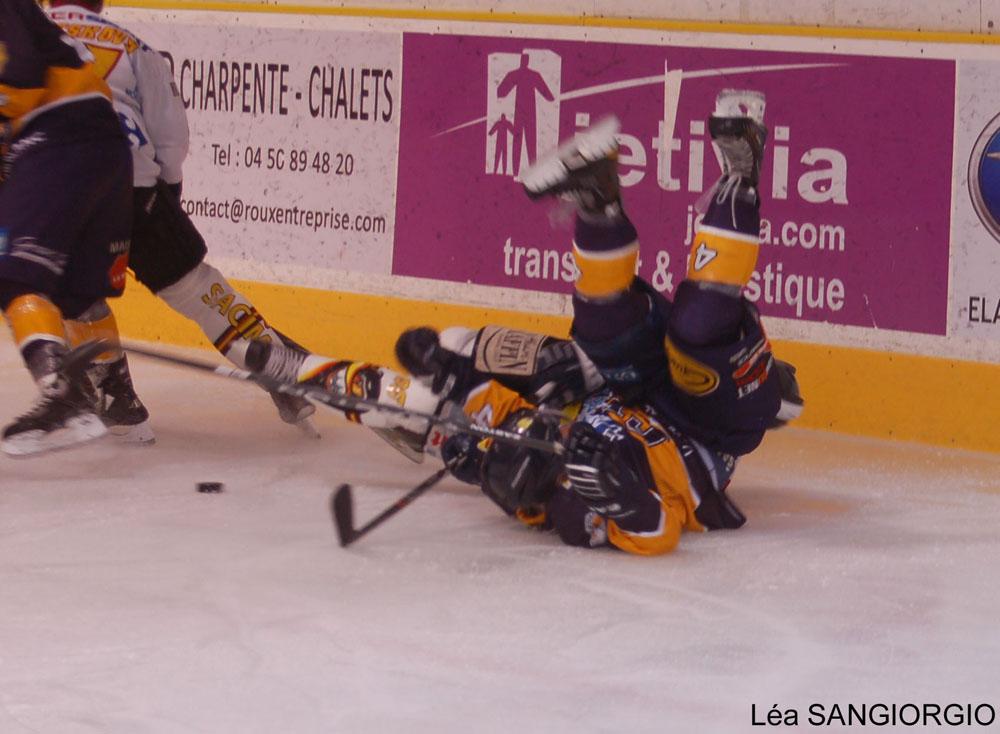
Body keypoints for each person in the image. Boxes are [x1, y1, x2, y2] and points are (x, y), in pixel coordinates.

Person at [395, 91, 803, 555]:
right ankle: (741, 177)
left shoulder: (521, 443)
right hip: (712, 423)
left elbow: (489, 403)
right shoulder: (576, 510)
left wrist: (443, 369)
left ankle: (597, 199)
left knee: (600, 324)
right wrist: (611, 488)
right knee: (697, 328)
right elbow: (657, 532)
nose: (547, 430)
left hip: (641, 386)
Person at [45, 0, 315, 442]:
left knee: (72, 287)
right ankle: (279, 368)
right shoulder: (135, 47)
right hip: (135, 184)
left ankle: (117, 401)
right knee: (196, 288)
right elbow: (172, 136)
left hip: (61, 185)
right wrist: (164, 199)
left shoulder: (25, 37)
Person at [1, 0, 134, 455]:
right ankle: (118, 400)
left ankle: (65, 396)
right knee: (73, 294)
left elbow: (21, 81)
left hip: (57, 138)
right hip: (102, 146)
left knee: (14, 278)